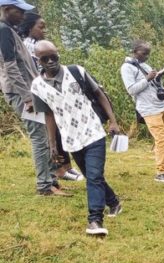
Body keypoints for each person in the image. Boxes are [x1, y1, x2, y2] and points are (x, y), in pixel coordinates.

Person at [30, 41, 123, 235]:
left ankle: (95, 220)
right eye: (45, 59)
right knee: (91, 176)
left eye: (53, 56)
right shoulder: (37, 86)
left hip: (93, 131)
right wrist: (52, 144)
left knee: (94, 176)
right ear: (38, 61)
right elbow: (48, 115)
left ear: (58, 54)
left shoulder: (76, 72)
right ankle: (114, 202)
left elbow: (99, 94)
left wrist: (113, 121)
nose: (50, 61)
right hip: (70, 138)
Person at [0, 0, 67, 196]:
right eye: (20, 11)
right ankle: (44, 186)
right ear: (7, 9)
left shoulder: (9, 30)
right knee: (39, 137)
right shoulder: (3, 31)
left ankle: (52, 181)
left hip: (30, 91)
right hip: (22, 94)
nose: (23, 16)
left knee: (46, 134)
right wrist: (27, 98)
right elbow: (10, 68)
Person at [19, 11, 83, 182]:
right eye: (41, 27)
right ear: (30, 28)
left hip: (48, 91)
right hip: (39, 93)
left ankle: (66, 167)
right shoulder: (28, 46)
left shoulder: (37, 44)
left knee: (59, 128)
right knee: (49, 131)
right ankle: (58, 170)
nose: (44, 30)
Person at [121, 39, 164, 183]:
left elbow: (153, 85)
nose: (146, 56)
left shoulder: (145, 65)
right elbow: (131, 89)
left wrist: (158, 78)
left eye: (148, 54)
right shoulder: (127, 68)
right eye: (144, 53)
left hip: (160, 105)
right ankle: (161, 172)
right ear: (135, 51)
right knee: (161, 139)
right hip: (148, 109)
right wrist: (147, 78)